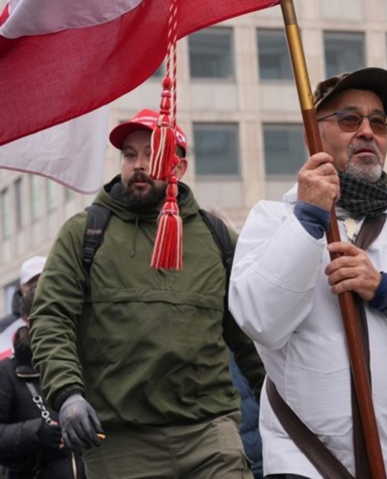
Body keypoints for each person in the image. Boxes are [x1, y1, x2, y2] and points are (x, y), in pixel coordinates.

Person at [229, 67, 387, 478]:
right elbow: (260, 319)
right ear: (313, 136)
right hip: (307, 465)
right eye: (350, 119)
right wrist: (307, 221)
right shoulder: (272, 221)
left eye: (379, 122)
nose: (368, 132)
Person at [29, 109, 266, 478]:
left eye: (151, 154)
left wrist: (282, 406)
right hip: (119, 444)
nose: (138, 165)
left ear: (179, 167)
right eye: (129, 154)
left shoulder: (216, 237)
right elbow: (50, 319)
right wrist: (68, 394)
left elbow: (250, 334)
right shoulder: (84, 233)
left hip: (210, 435)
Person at [0, 264, 83, 479]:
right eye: (45, 314)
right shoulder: (7, 372)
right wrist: (36, 432)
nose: (54, 322)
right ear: (27, 320)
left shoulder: (85, 361)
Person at [0, 256, 47, 359]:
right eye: (32, 283)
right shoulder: (3, 328)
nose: (37, 287)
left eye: (43, 281)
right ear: (21, 287)